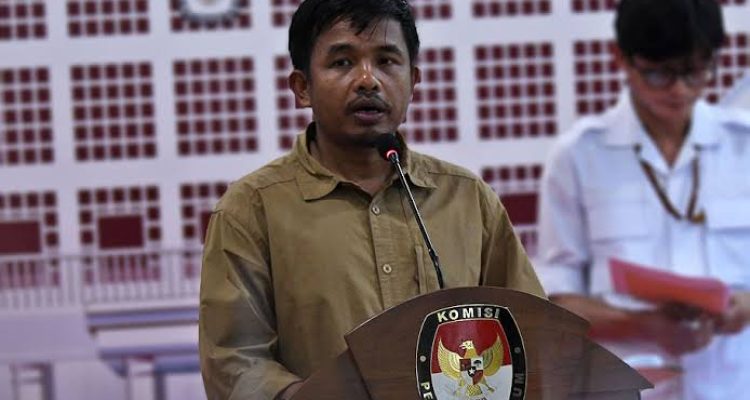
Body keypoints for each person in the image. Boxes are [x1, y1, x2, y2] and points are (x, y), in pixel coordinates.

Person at [198, 1, 545, 399]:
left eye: (386, 61)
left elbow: (533, 333)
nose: (368, 80)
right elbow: (235, 363)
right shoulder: (252, 209)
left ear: (413, 81)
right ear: (302, 87)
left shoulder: (467, 198)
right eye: (342, 62)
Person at [537, 0, 750, 398]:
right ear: (621, 58)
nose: (679, 89)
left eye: (695, 71)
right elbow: (555, 302)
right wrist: (640, 326)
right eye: (659, 73)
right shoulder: (579, 156)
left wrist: (745, 306)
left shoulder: (744, 146)